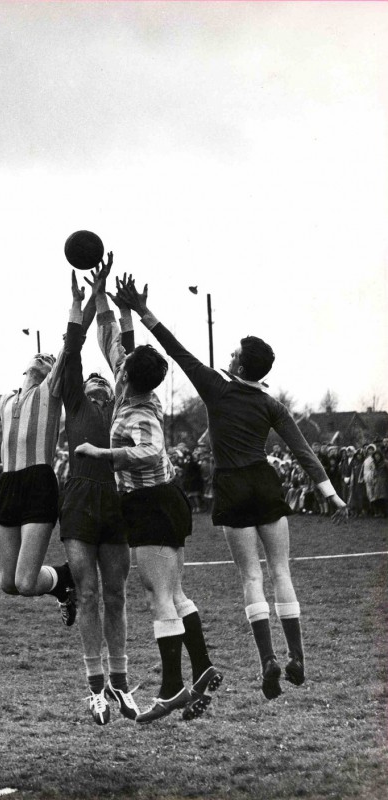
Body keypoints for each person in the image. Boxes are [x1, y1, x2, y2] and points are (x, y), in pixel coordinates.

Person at [115, 275, 349, 700]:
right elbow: (301, 450)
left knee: (250, 576)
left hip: (232, 487)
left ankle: (267, 660)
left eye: (234, 353)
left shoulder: (217, 388)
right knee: (282, 571)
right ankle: (296, 654)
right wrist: (330, 493)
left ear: (239, 366)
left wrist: (142, 311)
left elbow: (175, 350)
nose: (228, 355)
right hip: (265, 482)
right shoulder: (270, 403)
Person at [75, 270, 222, 725]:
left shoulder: (140, 412)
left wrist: (102, 452)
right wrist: (111, 305)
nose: (118, 359)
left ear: (128, 376)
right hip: (166, 502)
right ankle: (204, 669)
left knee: (159, 595)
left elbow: (150, 450)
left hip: (152, 504)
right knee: (174, 594)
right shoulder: (130, 383)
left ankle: (171, 687)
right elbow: (111, 342)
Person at [59, 265, 139, 724]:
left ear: (114, 389)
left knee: (116, 594)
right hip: (79, 499)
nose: (95, 381)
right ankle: (95, 688)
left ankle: (122, 683)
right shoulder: (75, 403)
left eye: (103, 381)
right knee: (87, 593)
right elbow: (73, 354)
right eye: (90, 381)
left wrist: (116, 306)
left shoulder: (125, 406)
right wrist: (80, 307)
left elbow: (128, 358)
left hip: (117, 500)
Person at [0, 340, 76, 625]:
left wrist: (79, 308)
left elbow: (70, 345)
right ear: (26, 366)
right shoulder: (5, 399)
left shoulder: (51, 391)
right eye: (40, 355)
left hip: (39, 483)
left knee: (26, 583)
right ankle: (61, 581)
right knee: (8, 583)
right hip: (9, 485)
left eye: (51, 358)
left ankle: (66, 578)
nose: (44, 357)